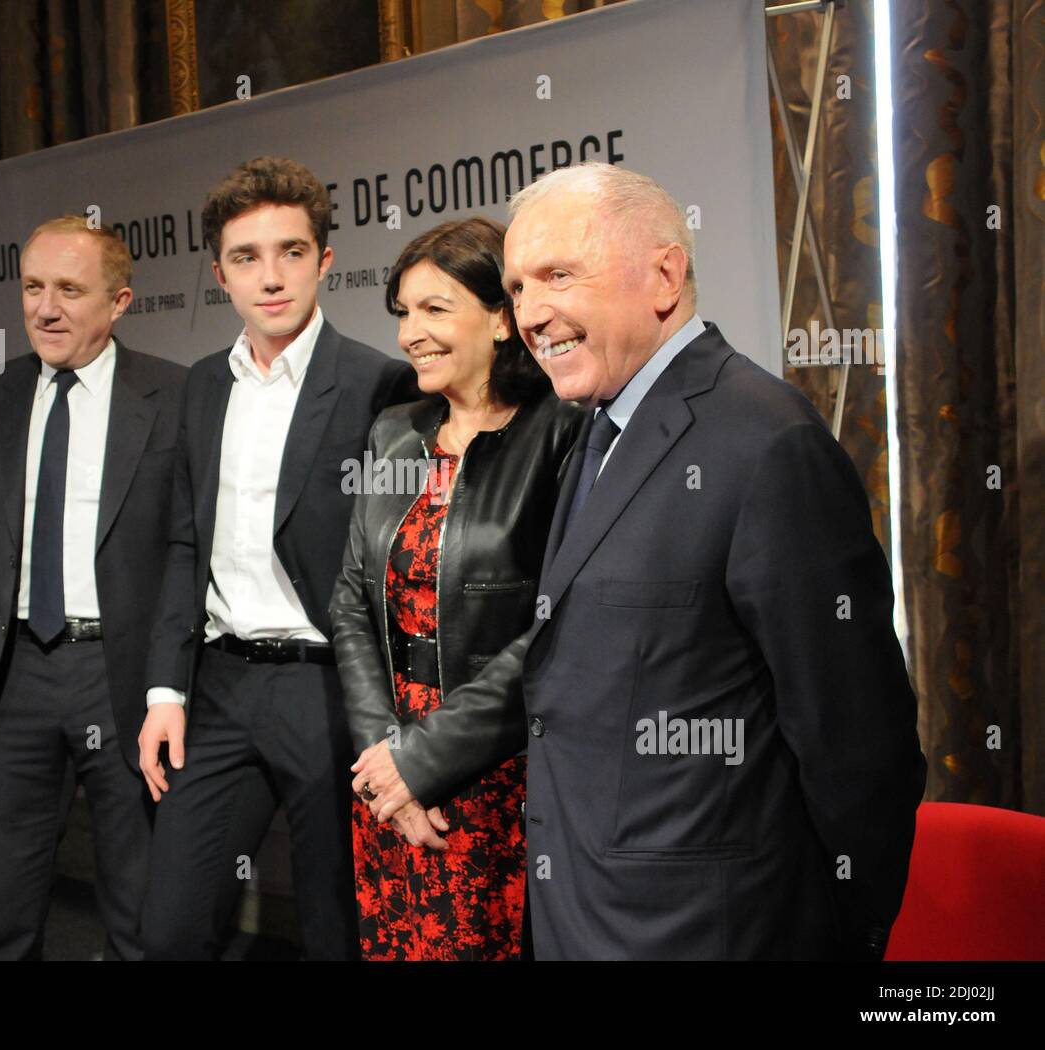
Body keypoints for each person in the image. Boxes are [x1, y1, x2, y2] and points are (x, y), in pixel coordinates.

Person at [364, 162, 928, 960]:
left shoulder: (767, 444)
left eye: (559, 274)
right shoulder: (595, 424)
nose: (533, 313)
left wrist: (840, 933)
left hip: (708, 932)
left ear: (663, 275)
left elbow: (859, 745)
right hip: (582, 916)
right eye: (519, 287)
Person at [139, 156, 420, 960]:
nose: (271, 277)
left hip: (329, 689)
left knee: (338, 928)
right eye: (245, 257)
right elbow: (183, 545)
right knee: (172, 927)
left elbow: (401, 555)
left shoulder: (380, 383)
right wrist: (166, 690)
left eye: (292, 252)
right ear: (218, 272)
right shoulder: (199, 388)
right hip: (219, 688)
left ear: (325, 261)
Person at [329, 218, 583, 960]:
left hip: (499, 773)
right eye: (404, 313)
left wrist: (426, 761)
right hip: (387, 772)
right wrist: (386, 757)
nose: (411, 333)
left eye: (435, 310)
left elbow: (556, 626)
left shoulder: (561, 431)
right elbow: (351, 597)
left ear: (502, 318)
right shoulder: (393, 432)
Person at [0, 214, 187, 960]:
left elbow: (187, 545)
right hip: (8, 676)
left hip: (122, 676)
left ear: (119, 302)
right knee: (1, 910)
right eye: (34, 287)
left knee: (139, 909)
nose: (45, 308)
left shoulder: (175, 394)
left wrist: (167, 682)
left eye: (70, 290)